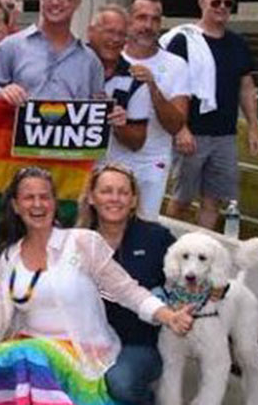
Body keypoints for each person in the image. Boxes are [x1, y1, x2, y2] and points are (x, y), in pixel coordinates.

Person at [0, 167, 193, 404]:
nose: (38, 204)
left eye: (45, 197)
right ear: (16, 206)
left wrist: (168, 316)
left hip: (82, 353)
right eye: (29, 197)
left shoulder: (82, 242)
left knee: (33, 359)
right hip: (30, 348)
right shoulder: (7, 258)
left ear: (54, 203)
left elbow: (126, 289)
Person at [163, 0, 258, 230]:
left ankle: (204, 254)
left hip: (225, 135)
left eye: (228, 3)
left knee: (213, 201)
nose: (222, 7)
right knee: (182, 199)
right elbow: (169, 87)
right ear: (202, 2)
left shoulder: (238, 44)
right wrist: (180, 128)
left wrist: (253, 127)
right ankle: (169, 247)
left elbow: (246, 87)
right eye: (216, 1)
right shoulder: (183, 41)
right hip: (192, 133)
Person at [75, 164, 176, 405]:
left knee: (119, 382)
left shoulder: (157, 238)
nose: (115, 198)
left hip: (137, 344)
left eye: (122, 192)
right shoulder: (73, 238)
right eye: (106, 191)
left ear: (133, 200)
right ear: (91, 197)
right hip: (82, 342)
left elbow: (189, 277)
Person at [110, 0, 188, 220]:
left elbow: (176, 124)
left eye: (154, 20)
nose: (148, 26)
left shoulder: (176, 65)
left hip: (152, 160)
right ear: (128, 21)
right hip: (109, 157)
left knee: (145, 226)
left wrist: (153, 87)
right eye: (141, 18)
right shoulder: (108, 58)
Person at [0, 0, 105, 105]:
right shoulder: (12, 46)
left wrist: (114, 115)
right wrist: (0, 93)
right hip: (18, 125)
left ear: (77, 3)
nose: (55, 2)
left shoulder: (90, 61)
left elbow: (99, 109)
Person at [89, 4, 150, 167]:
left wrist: (119, 125)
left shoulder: (135, 79)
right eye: (109, 31)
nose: (115, 39)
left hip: (111, 172)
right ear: (90, 32)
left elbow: (137, 141)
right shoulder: (68, 66)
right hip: (68, 168)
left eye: (121, 34)